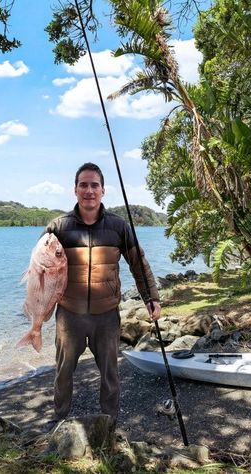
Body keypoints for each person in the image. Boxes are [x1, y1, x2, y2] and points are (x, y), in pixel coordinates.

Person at [44, 162, 161, 428]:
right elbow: (40, 269)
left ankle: (110, 424)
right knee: (63, 373)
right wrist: (40, 308)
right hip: (69, 317)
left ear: (103, 190)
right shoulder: (58, 227)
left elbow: (138, 264)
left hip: (106, 316)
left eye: (94, 185)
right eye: (83, 185)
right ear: (75, 190)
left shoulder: (119, 226)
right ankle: (59, 420)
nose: (89, 190)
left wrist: (151, 298)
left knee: (110, 375)